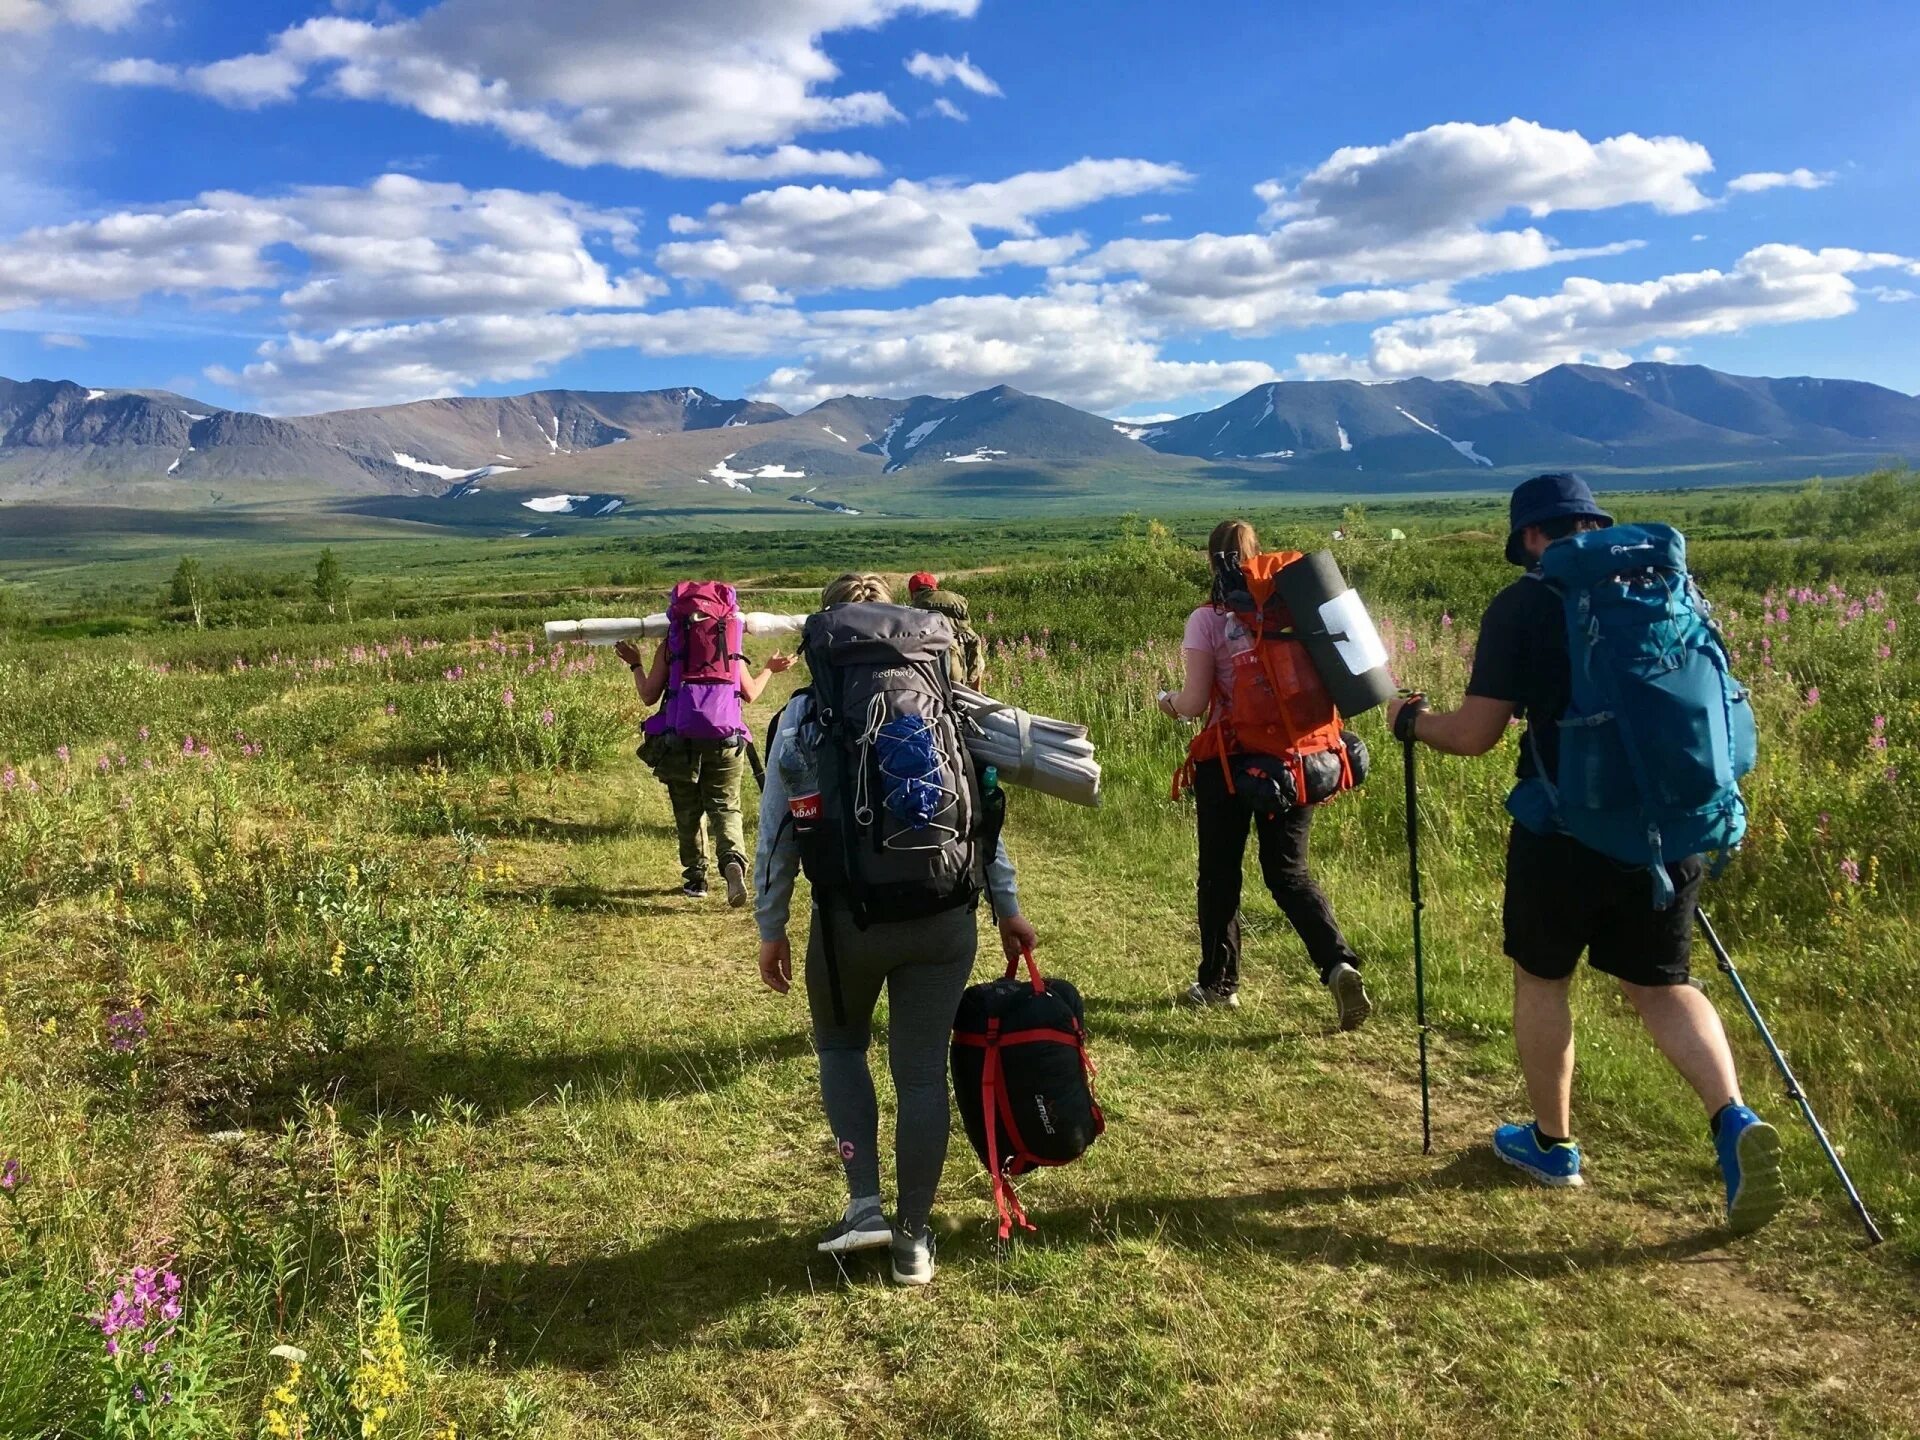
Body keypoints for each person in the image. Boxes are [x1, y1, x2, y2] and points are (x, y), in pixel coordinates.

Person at [1387, 472, 1784, 1232]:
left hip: (1561, 833)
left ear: (1533, 536)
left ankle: (1553, 1146)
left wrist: (1413, 723)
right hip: (1666, 833)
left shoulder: (1524, 604)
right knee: (1662, 986)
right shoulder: (1663, 591)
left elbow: (1474, 735)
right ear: (1592, 523)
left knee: (1543, 979)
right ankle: (1732, 1118)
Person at [755, 572, 1037, 1286]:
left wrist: (772, 926)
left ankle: (863, 1207)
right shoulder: (945, 702)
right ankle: (914, 1239)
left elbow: (777, 836)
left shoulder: (804, 716)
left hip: (850, 922)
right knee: (920, 1075)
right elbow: (982, 821)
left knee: (842, 1049)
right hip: (945, 916)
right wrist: (1007, 910)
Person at [1158, 520, 1371, 1027]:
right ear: (1259, 556)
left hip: (1230, 767)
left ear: (1213, 562)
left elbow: (1191, 703)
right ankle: (1337, 963)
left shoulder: (1207, 620)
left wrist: (1166, 702)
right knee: (1289, 875)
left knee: (1219, 874)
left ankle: (1218, 984)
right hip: (1297, 762)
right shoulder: (1298, 610)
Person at [615, 626, 792, 905]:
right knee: (725, 806)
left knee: (688, 810)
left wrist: (636, 663)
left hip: (679, 741)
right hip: (727, 740)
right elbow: (751, 693)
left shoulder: (671, 645)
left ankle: (696, 879)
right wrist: (769, 668)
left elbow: (649, 695)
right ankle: (732, 862)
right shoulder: (728, 643)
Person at [907, 571, 987, 690]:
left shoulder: (910, 616)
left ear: (912, 593)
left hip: (923, 686)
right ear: (935, 589)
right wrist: (973, 688)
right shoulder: (957, 619)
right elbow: (975, 646)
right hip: (956, 685)